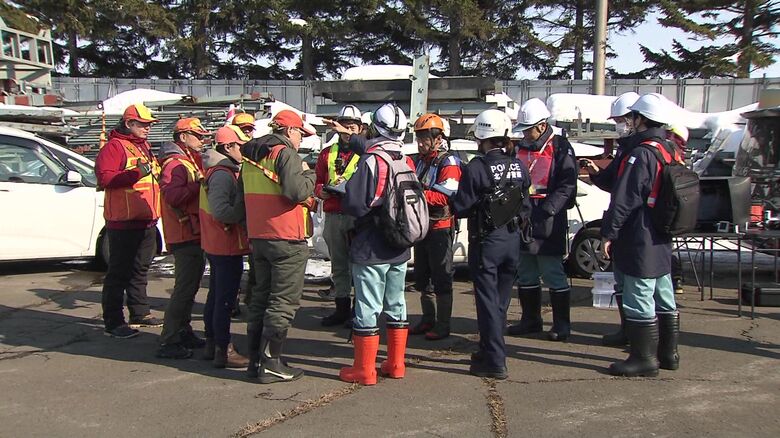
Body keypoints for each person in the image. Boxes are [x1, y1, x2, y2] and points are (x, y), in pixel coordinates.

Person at [601, 93, 681, 377]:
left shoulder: (641, 153)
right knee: (663, 293)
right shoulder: (668, 148)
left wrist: (609, 233)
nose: (629, 121)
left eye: (633, 117)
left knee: (638, 294)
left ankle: (643, 358)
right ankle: (668, 354)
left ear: (642, 119)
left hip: (640, 233)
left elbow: (626, 197)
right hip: (661, 232)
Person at [451, 109, 531, 379]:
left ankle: (496, 361)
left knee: (487, 304)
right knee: (500, 303)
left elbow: (461, 207)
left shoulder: (476, 167)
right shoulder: (518, 165)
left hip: (487, 243)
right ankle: (487, 350)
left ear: (481, 136)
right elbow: (526, 203)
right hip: (512, 240)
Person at [339, 103, 414, 386]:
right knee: (396, 303)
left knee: (367, 306)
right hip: (400, 244)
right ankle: (396, 364)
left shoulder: (372, 161)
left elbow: (355, 204)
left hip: (371, 244)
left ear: (375, 128)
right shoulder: (405, 160)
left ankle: (364, 370)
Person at [241, 109, 316, 384]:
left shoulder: (251, 156)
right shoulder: (286, 154)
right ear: (290, 131)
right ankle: (271, 363)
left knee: (261, 298)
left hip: (259, 235)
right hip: (286, 237)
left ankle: (255, 361)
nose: (301, 140)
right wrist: (310, 175)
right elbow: (296, 192)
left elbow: (240, 198)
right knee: (282, 302)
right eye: (300, 134)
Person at [507, 98, 577, 342]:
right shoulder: (518, 148)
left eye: (528, 130)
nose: (525, 135)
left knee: (552, 271)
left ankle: (562, 324)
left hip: (548, 218)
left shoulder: (560, 146)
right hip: (523, 214)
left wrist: (547, 210)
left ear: (542, 125)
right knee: (525, 271)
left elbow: (567, 185)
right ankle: (530, 319)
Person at [95, 103, 164, 339]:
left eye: (149, 124)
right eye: (143, 124)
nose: (147, 128)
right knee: (119, 273)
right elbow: (105, 179)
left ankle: (139, 313)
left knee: (140, 269)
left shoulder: (143, 146)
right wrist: (136, 173)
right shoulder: (114, 147)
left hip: (146, 220)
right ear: (129, 123)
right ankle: (113, 322)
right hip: (123, 222)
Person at [156, 118, 210, 359]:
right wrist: (199, 185)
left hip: (191, 231)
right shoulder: (175, 164)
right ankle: (169, 340)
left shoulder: (186, 161)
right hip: (184, 232)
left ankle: (183, 331)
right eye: (198, 136)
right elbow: (172, 197)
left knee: (190, 288)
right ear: (183, 137)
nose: (202, 140)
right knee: (184, 289)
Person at [200, 125, 251, 368]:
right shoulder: (222, 174)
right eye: (241, 146)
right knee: (224, 300)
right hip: (225, 243)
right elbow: (221, 212)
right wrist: (243, 209)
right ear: (228, 147)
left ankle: (213, 345)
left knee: (216, 296)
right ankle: (223, 349)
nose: (244, 150)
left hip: (218, 242)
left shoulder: (219, 170)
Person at [409, 113, 462, 340]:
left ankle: (443, 324)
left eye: (424, 139)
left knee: (441, 276)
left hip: (441, 226)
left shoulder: (449, 162)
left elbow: (445, 196)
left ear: (438, 138)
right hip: (422, 225)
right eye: (418, 138)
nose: (420, 143)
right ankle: (428, 319)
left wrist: (415, 195)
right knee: (422, 276)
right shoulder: (419, 161)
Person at [314, 105, 363, 326]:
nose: (347, 131)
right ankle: (341, 309)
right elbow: (317, 180)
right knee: (339, 265)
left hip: (356, 216)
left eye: (352, 127)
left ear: (360, 129)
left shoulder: (365, 151)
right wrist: (320, 191)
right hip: (334, 214)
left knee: (360, 266)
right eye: (343, 126)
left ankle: (359, 311)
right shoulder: (327, 153)